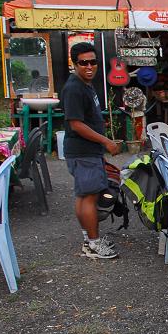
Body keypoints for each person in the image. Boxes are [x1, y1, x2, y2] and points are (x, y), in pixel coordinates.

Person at [60, 42, 121, 259]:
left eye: (93, 62)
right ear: (74, 64)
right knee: (89, 197)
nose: (89, 67)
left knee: (84, 195)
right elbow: (75, 123)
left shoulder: (85, 85)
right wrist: (106, 141)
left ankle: (89, 240)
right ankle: (94, 245)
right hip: (83, 152)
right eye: (83, 63)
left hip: (86, 151)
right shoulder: (74, 88)